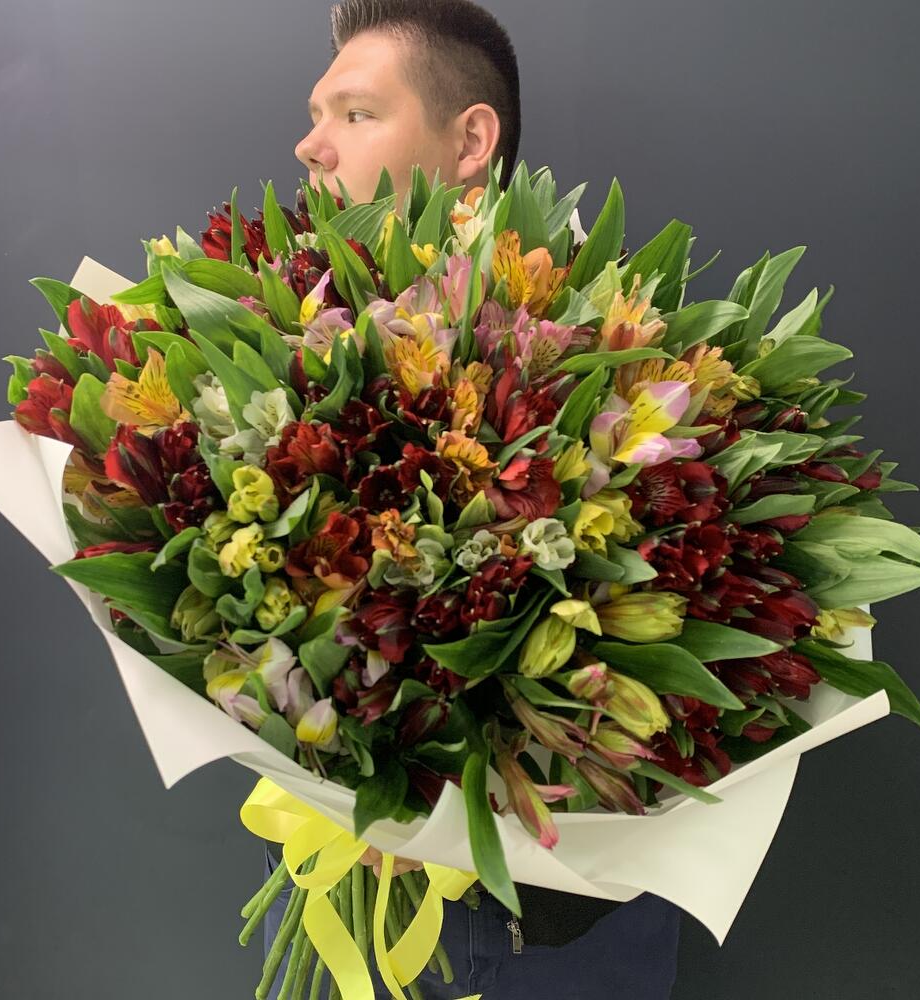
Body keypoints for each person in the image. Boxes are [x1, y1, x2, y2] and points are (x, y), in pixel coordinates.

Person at [263, 2, 683, 997]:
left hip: (552, 934)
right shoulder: (288, 334)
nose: (311, 145)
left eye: (356, 113)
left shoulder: (613, 353)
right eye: (315, 115)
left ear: (470, 141)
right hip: (337, 885)